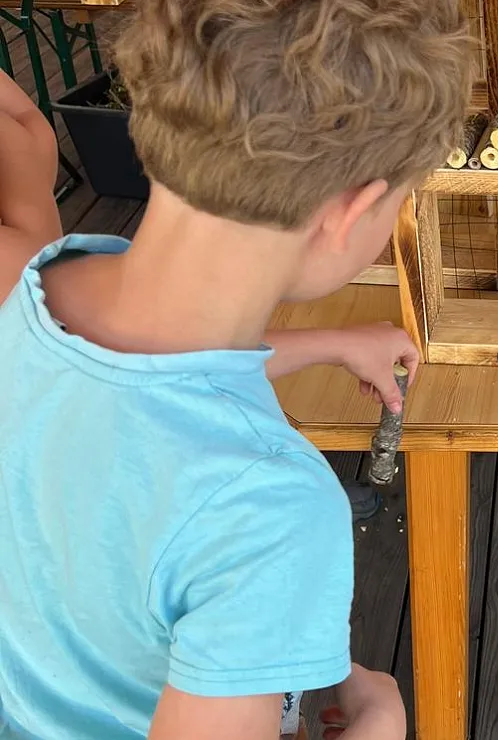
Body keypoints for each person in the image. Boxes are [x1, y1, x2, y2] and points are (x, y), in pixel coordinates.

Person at [0, 0, 472, 735]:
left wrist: (328, 342)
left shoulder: (26, 289)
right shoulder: (272, 513)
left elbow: (147, 392)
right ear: (353, 211)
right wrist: (381, 727)